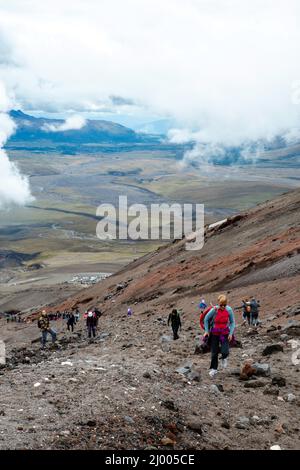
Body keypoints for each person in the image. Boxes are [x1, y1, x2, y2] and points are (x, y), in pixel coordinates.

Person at [204, 294, 235, 378]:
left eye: (225, 305)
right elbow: (206, 319)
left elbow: (232, 322)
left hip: (225, 332)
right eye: (221, 305)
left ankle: (224, 358)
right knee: (214, 352)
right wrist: (206, 331)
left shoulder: (229, 310)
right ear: (218, 304)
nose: (223, 307)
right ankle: (214, 369)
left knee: (225, 351)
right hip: (215, 333)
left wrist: (231, 333)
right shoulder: (214, 310)